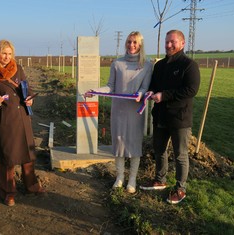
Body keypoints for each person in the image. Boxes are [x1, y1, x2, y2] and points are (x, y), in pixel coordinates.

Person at [85, 31, 153, 193]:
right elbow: (110, 87)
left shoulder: (147, 65)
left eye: (135, 42)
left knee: (134, 145)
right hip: (119, 111)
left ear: (140, 45)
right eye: (129, 42)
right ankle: (120, 177)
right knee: (119, 143)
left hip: (135, 111)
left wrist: (141, 94)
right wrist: (96, 90)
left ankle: (132, 180)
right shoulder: (117, 64)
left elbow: (145, 87)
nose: (132, 45)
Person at [139, 30, 200, 204]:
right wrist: (151, 91)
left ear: (182, 43)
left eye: (173, 42)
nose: (169, 45)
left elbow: (191, 90)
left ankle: (180, 188)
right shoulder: (160, 65)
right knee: (159, 150)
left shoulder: (189, 65)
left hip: (179, 118)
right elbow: (154, 85)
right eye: (167, 42)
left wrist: (163, 96)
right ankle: (160, 180)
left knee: (180, 154)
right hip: (160, 115)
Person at [0, 40, 45, 207]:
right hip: (6, 121)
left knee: (28, 155)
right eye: (4, 53)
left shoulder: (19, 69)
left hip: (23, 118)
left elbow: (26, 89)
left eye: (10, 54)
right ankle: (8, 192)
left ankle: (31, 186)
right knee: (8, 157)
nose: (7, 57)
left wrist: (30, 99)